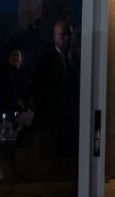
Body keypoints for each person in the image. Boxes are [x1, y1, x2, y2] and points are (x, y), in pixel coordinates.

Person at [32, 19, 80, 162]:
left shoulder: (77, 60)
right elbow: (41, 94)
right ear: (54, 37)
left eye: (70, 34)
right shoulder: (45, 62)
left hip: (72, 125)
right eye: (63, 34)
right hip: (53, 125)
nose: (67, 38)